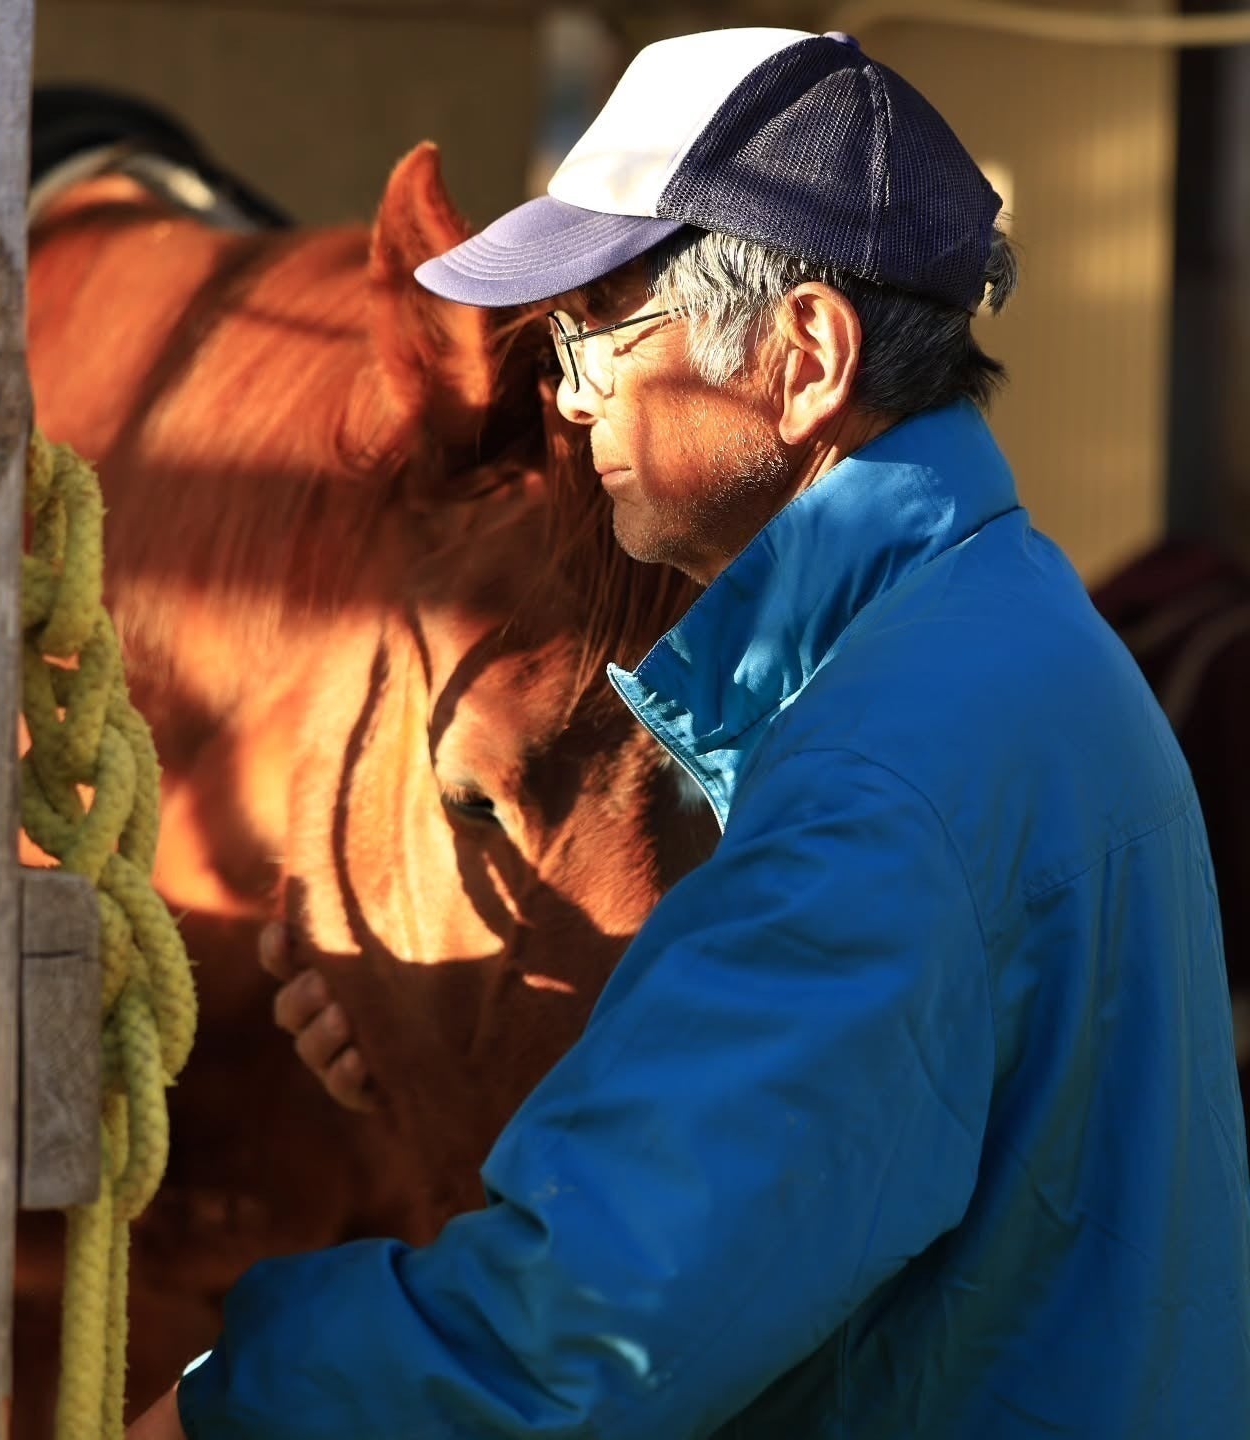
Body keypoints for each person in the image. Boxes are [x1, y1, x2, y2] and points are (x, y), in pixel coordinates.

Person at [129, 27, 1250, 1439]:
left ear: (804, 357)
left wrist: (232, 1409)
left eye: (599, 330)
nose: (571, 395)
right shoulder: (994, 640)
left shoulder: (882, 774)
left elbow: (577, 1351)